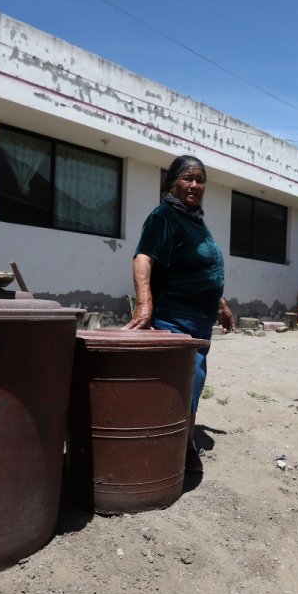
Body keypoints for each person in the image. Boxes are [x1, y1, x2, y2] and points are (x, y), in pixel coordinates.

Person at [125, 154, 235, 473]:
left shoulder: (195, 221)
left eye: (200, 179)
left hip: (199, 323)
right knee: (183, 383)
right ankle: (177, 450)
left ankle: (180, 443)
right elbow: (143, 258)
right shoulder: (164, 216)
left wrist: (221, 305)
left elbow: (200, 269)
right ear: (172, 183)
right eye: (188, 178)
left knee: (192, 384)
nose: (195, 185)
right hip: (175, 321)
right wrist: (144, 304)